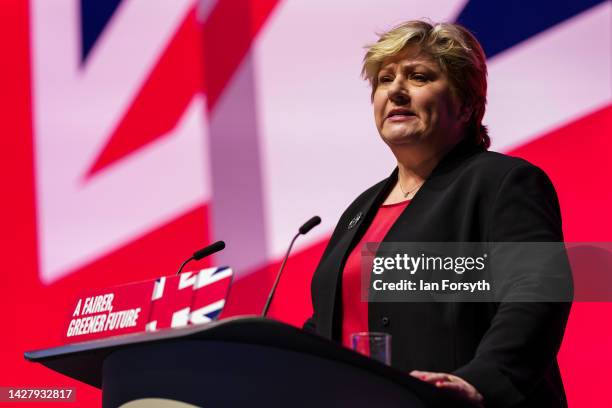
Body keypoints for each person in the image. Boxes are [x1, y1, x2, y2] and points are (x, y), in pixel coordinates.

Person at [303, 20, 571, 407]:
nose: (395, 90)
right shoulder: (359, 211)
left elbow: (537, 293)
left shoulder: (501, 182)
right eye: (384, 79)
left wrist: (480, 383)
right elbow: (329, 324)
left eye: (418, 76)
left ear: (465, 105)